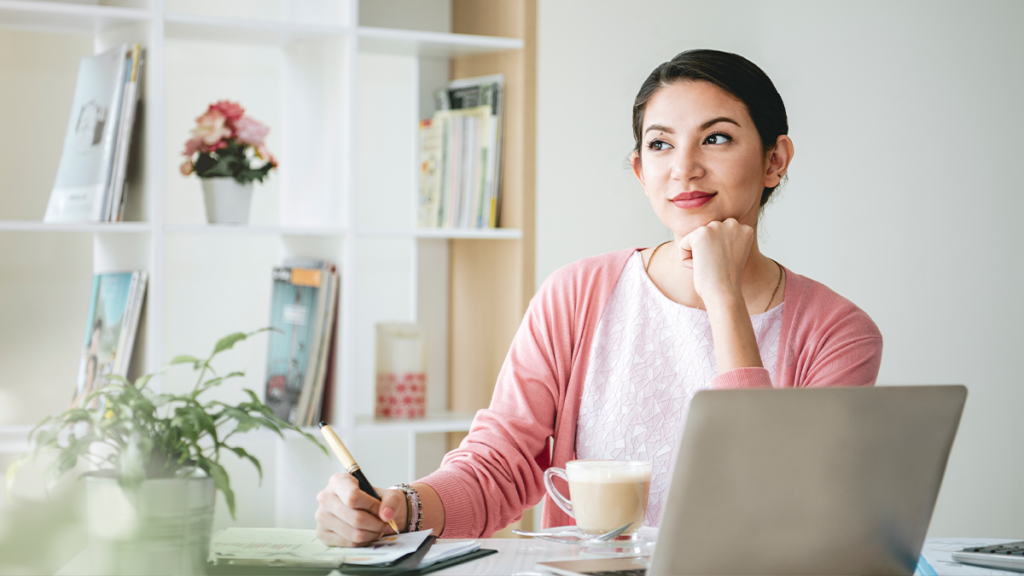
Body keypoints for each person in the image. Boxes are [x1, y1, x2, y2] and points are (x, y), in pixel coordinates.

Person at [315, 49, 883, 545]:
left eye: (716, 137)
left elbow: (776, 505)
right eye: (660, 145)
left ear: (774, 160)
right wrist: (399, 508)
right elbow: (498, 465)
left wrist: (723, 299)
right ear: (641, 170)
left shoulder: (838, 333)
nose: (683, 167)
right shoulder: (578, 294)